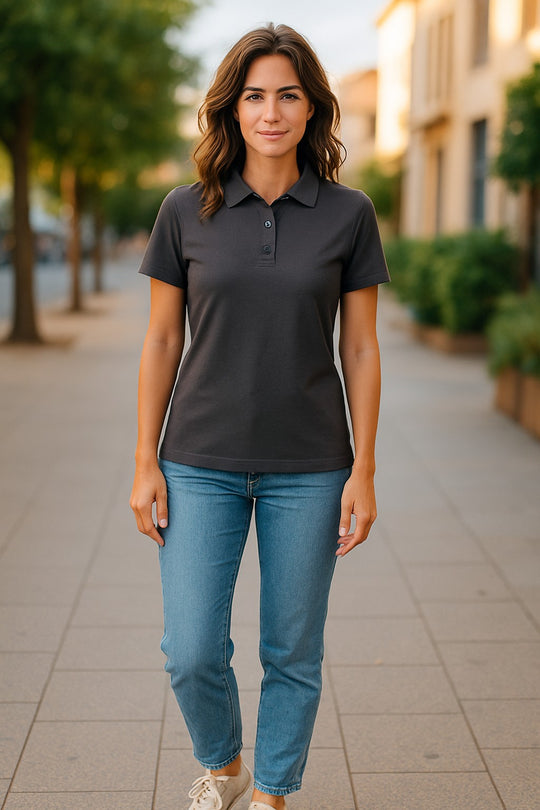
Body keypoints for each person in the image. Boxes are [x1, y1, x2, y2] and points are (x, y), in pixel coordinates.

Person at [130, 22, 389, 810]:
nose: (270, 111)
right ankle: (226, 760)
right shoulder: (185, 210)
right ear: (231, 110)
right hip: (198, 458)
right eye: (253, 96)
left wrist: (365, 472)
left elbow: (364, 350)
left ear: (311, 111)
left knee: (292, 650)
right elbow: (163, 338)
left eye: (287, 95)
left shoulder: (349, 214)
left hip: (311, 467)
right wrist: (145, 459)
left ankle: (273, 793)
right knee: (190, 650)